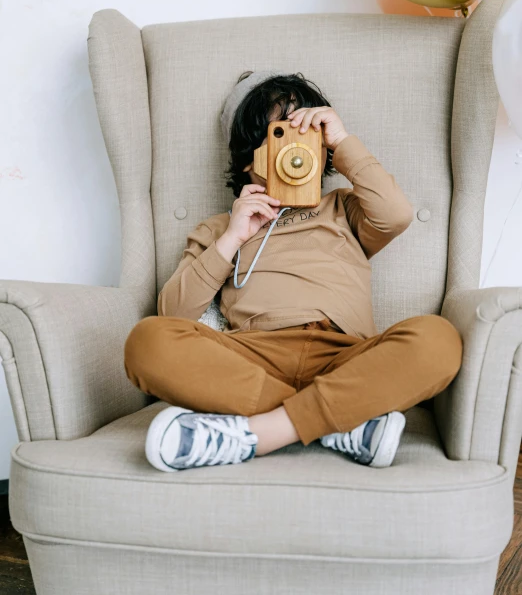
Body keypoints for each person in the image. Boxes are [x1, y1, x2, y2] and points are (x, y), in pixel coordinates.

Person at [124, 70, 463, 473]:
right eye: (278, 136)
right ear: (248, 155)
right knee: (147, 341)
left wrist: (341, 141)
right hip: (254, 360)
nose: (293, 149)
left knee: (438, 339)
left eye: (304, 134)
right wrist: (233, 238)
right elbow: (174, 314)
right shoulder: (219, 227)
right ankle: (340, 424)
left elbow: (395, 214)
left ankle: (265, 430)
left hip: (345, 357)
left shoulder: (342, 208)